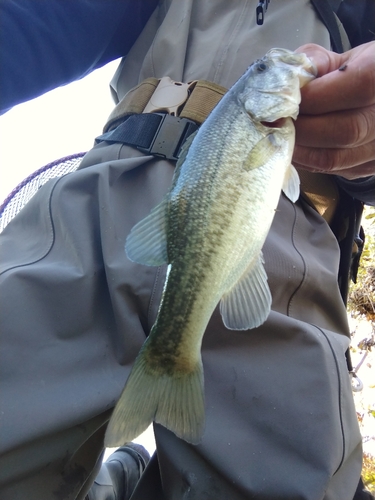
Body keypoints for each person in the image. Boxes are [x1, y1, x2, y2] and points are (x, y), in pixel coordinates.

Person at [0, 1, 374, 499]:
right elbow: (35, 28)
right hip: (95, 202)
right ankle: (122, 474)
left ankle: (120, 473)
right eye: (266, 68)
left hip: (285, 240)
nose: (276, 64)